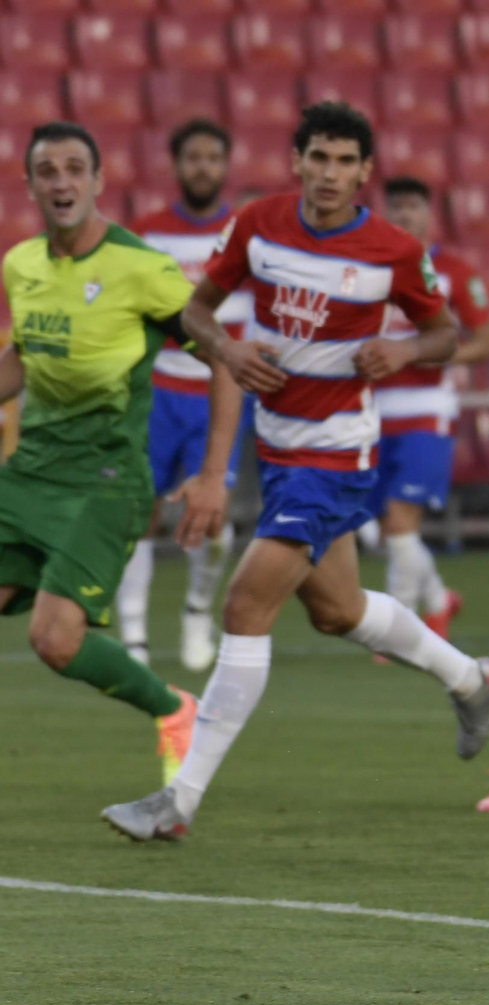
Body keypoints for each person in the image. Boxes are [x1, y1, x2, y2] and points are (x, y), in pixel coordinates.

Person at [101, 103, 489, 842]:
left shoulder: (391, 249)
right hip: (279, 444)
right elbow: (194, 313)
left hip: (337, 451)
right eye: (317, 158)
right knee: (338, 610)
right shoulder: (258, 224)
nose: (329, 174)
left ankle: (179, 800)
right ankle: (470, 679)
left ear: (364, 172)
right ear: (297, 161)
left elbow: (450, 333)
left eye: (344, 162)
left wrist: (404, 352)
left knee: (244, 606)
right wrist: (227, 352)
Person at [0, 122, 200, 786]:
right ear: (29, 184)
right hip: (31, 471)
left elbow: (224, 357)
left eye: (74, 169)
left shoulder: (143, 269)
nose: (61, 182)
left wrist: (214, 471)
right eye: (47, 171)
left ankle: (174, 708)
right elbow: (24, 357)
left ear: (98, 179)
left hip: (105, 479)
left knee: (54, 640)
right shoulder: (22, 264)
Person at [115, 119, 253, 674]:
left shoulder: (248, 233)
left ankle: (198, 611)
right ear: (176, 165)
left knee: (211, 519)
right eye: (192, 157)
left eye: (212, 157)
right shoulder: (147, 233)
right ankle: (134, 638)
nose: (202, 167)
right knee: (139, 515)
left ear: (225, 166)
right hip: (158, 391)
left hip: (218, 394)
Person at [366, 175, 489, 640]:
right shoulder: (368, 269)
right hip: (372, 410)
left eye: (413, 206)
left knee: (401, 525)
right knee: (384, 530)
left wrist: (427, 353)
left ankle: (397, 629)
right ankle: (439, 601)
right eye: (395, 206)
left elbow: (485, 342)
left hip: (428, 409)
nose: (404, 214)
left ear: (429, 214)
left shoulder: (455, 272)